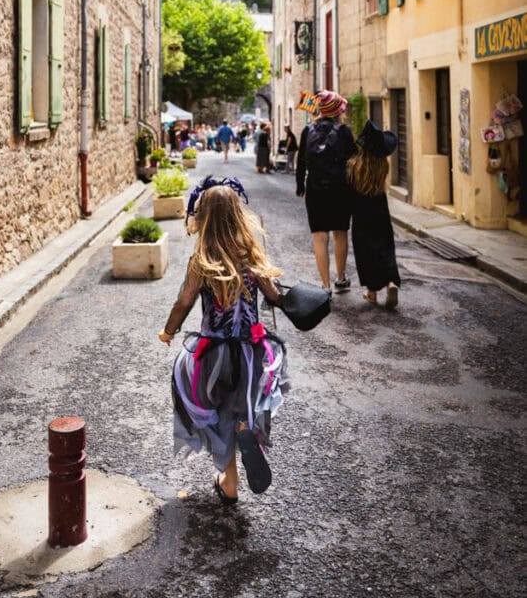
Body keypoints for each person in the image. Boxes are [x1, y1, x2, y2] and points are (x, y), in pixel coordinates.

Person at [158, 177, 288, 502]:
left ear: (205, 220)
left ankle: (229, 482)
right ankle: (247, 432)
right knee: (244, 407)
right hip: (250, 351)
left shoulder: (202, 262)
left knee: (215, 415)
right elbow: (274, 297)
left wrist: (169, 331)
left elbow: (184, 302)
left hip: (212, 353)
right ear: (237, 215)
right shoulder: (252, 258)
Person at [296, 91, 355, 292]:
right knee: (340, 233)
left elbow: (301, 161)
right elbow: (354, 162)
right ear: (338, 111)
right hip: (340, 189)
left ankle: (325, 286)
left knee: (319, 236)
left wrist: (300, 185)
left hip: (315, 189)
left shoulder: (307, 130)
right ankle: (340, 277)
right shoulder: (344, 131)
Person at [347, 120, 401, 309]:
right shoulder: (382, 165)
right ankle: (391, 282)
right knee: (385, 248)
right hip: (380, 211)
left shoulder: (353, 165)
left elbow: (348, 191)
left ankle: (371, 292)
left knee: (365, 252)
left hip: (361, 213)